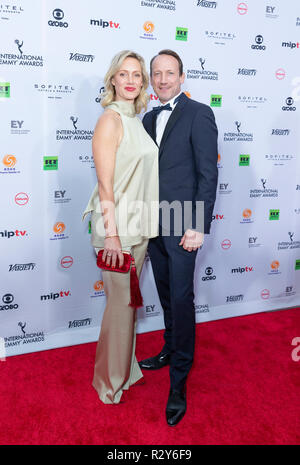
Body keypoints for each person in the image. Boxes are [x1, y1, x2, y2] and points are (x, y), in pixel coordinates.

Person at [139, 49, 218, 426]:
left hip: (184, 223)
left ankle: (179, 380)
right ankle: (170, 348)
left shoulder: (199, 113)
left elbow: (207, 174)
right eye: (157, 73)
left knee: (183, 298)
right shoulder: (149, 117)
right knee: (167, 293)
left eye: (170, 73)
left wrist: (198, 225)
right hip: (154, 224)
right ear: (151, 79)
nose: (163, 79)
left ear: (183, 76)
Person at [82, 50, 159, 404]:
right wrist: (111, 234)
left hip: (137, 228)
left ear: (143, 83)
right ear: (112, 79)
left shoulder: (136, 118)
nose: (130, 80)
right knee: (119, 307)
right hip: (117, 232)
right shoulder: (110, 120)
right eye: (123, 74)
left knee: (127, 305)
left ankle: (126, 370)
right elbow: (106, 185)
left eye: (137, 75)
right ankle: (108, 383)